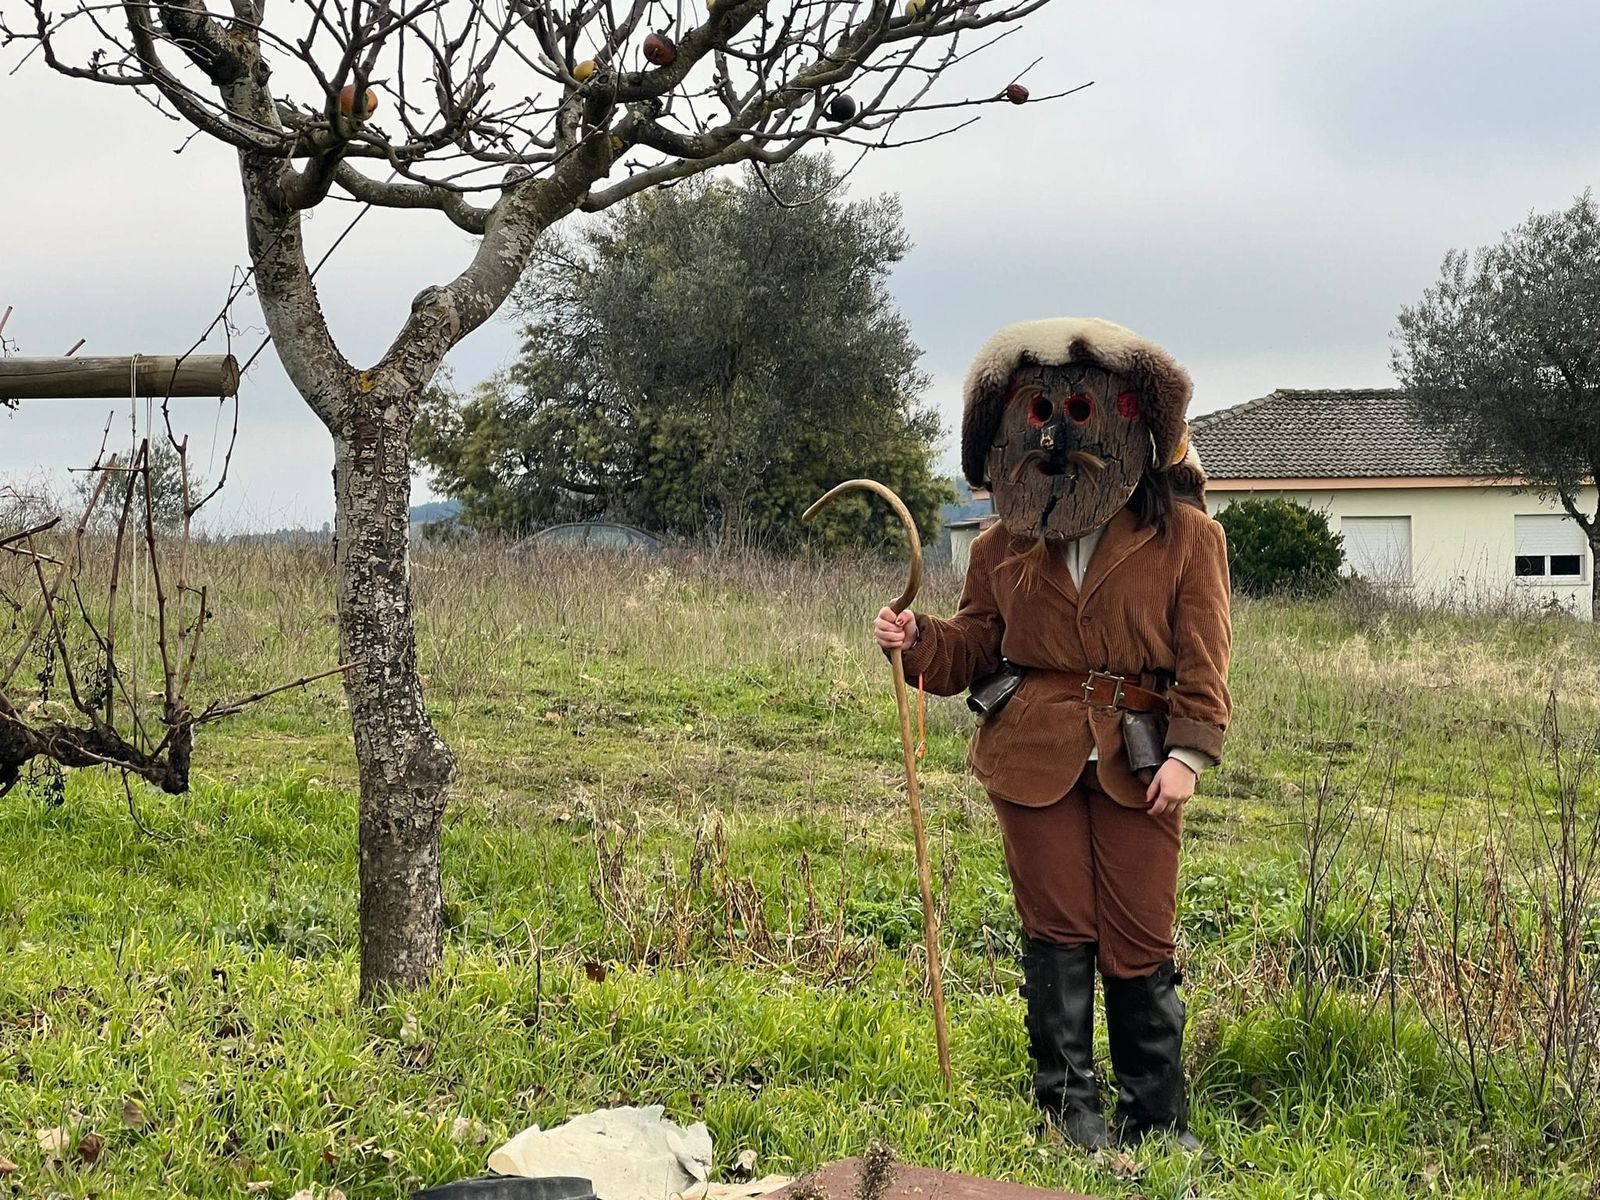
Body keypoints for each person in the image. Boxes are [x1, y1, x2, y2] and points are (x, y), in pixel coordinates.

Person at [873, 318, 1231, 1153]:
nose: (1059, 434)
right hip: (1030, 753)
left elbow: (1205, 660)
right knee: (1058, 930)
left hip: (1141, 758)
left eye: (1079, 409)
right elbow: (972, 646)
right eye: (1040, 414)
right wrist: (917, 640)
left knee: (1141, 930)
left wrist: (1188, 755)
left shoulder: (1189, 540)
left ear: (1130, 424)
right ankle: (1070, 1120)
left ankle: (1158, 1123)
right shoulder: (1002, 544)